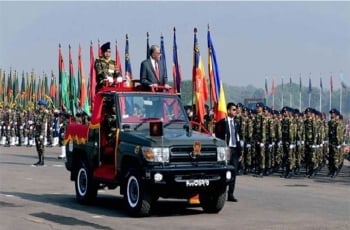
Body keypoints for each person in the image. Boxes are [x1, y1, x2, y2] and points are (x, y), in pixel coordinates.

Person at [215, 102, 242, 202]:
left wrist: (240, 152)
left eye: (236, 110)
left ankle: (231, 194)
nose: (235, 112)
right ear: (229, 110)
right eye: (234, 110)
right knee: (225, 171)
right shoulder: (222, 123)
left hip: (234, 149)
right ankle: (222, 192)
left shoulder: (236, 122)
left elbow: (238, 137)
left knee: (234, 172)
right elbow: (218, 137)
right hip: (226, 149)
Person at [33, 99, 48, 166]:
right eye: (39, 104)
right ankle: (39, 160)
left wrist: (42, 134)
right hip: (36, 131)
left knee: (41, 146)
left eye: (40, 105)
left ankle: (42, 161)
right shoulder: (36, 112)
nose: (39, 106)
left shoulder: (45, 113)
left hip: (41, 132)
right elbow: (34, 120)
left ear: (43, 105)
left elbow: (43, 124)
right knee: (37, 146)